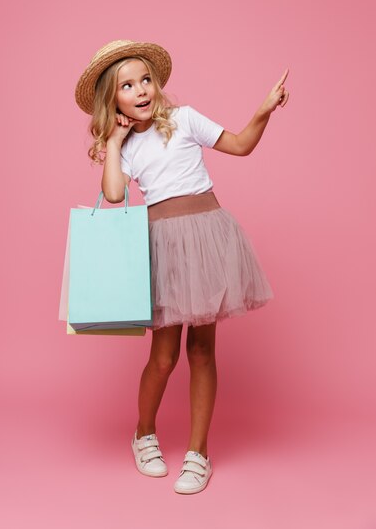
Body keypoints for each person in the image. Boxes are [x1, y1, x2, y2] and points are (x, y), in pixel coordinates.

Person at [74, 39, 290, 495]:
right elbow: (114, 195)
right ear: (112, 101)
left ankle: (199, 453)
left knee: (202, 353)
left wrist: (264, 111)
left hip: (208, 238)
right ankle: (143, 434)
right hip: (166, 249)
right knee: (164, 356)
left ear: (157, 84)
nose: (140, 90)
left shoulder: (185, 119)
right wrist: (114, 140)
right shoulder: (126, 145)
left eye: (145, 79)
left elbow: (240, 144)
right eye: (127, 85)